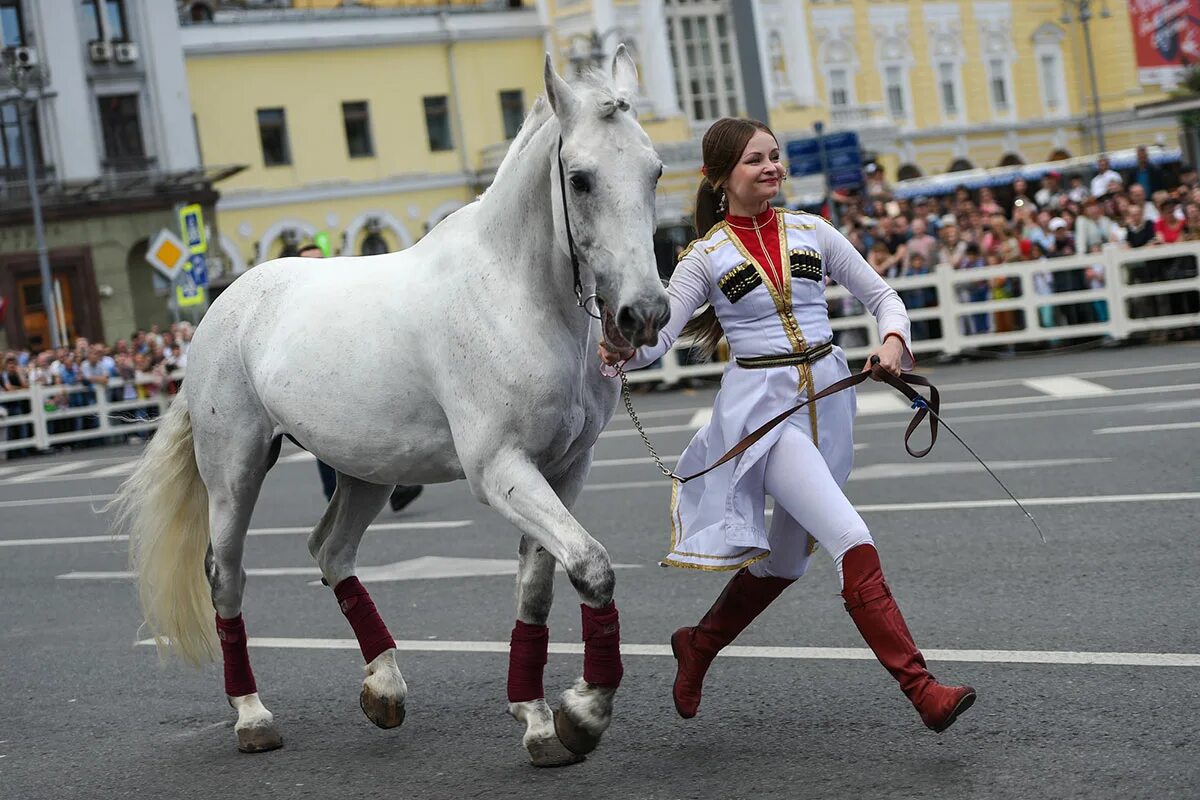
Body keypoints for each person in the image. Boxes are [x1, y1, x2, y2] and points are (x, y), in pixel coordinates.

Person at [598, 118, 975, 733]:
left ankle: (698, 643)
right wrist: (621, 348)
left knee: (785, 564)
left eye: (775, 156)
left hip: (831, 403)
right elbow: (659, 338)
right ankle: (922, 688)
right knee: (851, 537)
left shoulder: (815, 231)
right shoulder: (704, 257)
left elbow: (885, 297)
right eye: (754, 160)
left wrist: (891, 344)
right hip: (765, 416)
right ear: (718, 177)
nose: (771, 167)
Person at [295, 242, 423, 513]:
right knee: (326, 442)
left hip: (351, 377)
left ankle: (395, 486)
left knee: (375, 429)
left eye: (321, 259)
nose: (318, 265)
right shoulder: (300, 302)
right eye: (310, 261)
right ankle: (339, 496)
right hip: (316, 385)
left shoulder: (340, 292)